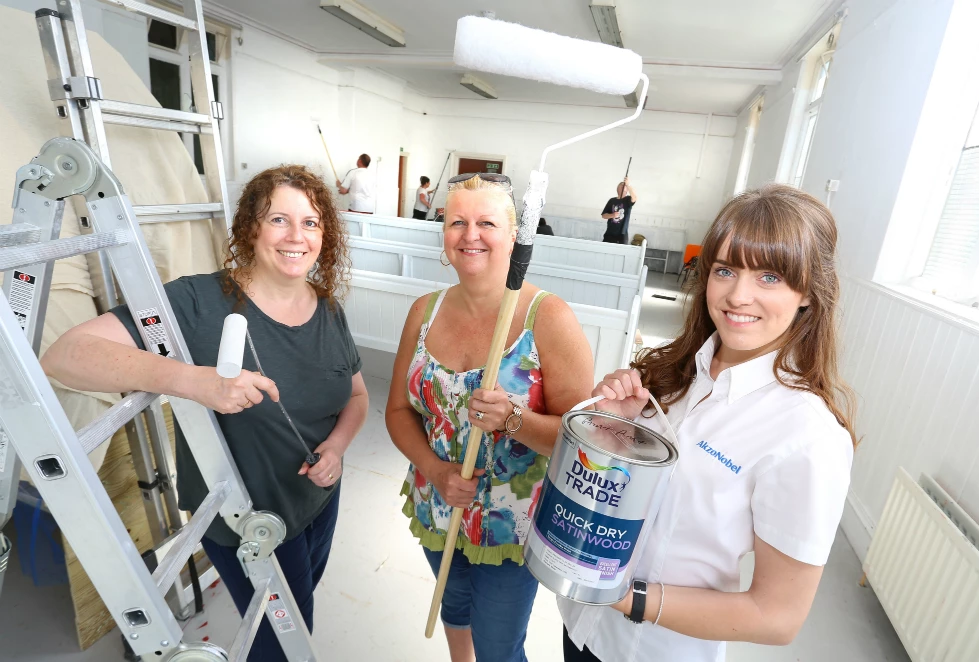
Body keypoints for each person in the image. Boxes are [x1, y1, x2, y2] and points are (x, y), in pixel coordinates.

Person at [41, 165, 368, 662]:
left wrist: (338, 449)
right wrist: (196, 381)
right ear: (250, 228)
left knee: (298, 618)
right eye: (279, 219)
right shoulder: (198, 302)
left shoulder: (328, 309)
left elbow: (358, 397)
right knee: (281, 646)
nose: (297, 236)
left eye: (312, 222)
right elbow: (66, 356)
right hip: (247, 521)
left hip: (319, 499)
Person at [561, 184, 857, 662]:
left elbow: (777, 616)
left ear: (807, 294)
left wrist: (623, 597)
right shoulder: (672, 376)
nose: (738, 295)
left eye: (769, 277)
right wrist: (609, 429)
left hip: (651, 649)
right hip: (580, 627)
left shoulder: (807, 436)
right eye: (725, 270)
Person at [385, 173, 594, 662]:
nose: (470, 234)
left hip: (512, 525)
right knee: (454, 610)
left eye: (487, 222)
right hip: (437, 501)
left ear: (515, 235)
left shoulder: (549, 317)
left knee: (499, 646)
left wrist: (513, 419)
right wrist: (436, 472)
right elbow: (397, 410)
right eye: (457, 221)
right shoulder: (424, 311)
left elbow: (581, 441)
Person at [601, 177, 637, 244]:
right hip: (609, 234)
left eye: (624, 186)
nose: (622, 187)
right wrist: (612, 215)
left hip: (622, 235)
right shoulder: (612, 200)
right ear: (617, 188)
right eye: (621, 185)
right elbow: (604, 215)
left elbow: (634, 197)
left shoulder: (628, 200)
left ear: (627, 190)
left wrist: (628, 185)